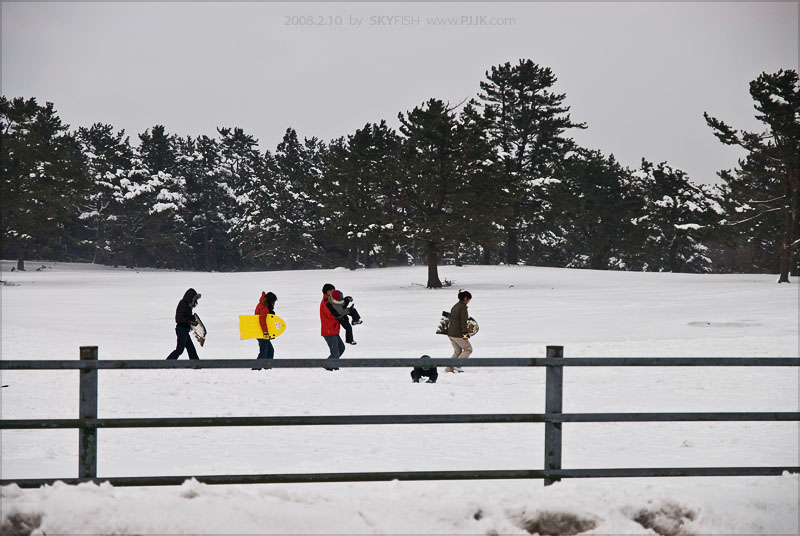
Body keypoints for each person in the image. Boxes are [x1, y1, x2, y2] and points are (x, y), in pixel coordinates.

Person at [166, 288, 201, 360]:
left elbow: (185, 316)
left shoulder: (187, 305)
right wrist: (190, 322)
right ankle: (167, 362)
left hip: (184, 330)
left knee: (190, 348)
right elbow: (179, 318)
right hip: (181, 330)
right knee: (179, 350)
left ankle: (195, 363)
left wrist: (192, 318)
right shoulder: (183, 304)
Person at [446, 289, 473, 373]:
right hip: (458, 333)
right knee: (468, 349)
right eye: (469, 299)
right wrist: (465, 334)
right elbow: (463, 321)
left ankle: (449, 368)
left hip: (450, 333)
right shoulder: (463, 307)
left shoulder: (455, 306)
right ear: (465, 298)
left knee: (457, 351)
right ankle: (457, 365)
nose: (469, 301)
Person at [320, 283, 344, 370]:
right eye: (332, 291)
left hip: (333, 330)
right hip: (329, 331)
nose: (334, 292)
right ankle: (331, 366)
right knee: (335, 351)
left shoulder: (331, 301)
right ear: (327, 292)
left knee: (341, 348)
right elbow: (331, 314)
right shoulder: (325, 302)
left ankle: (329, 364)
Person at [253, 291, 277, 369]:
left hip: (260, 333)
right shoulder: (264, 308)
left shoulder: (262, 305)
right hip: (262, 333)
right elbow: (262, 321)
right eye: (273, 302)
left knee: (268, 350)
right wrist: (266, 333)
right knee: (265, 351)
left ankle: (266, 366)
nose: (274, 304)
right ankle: (258, 367)